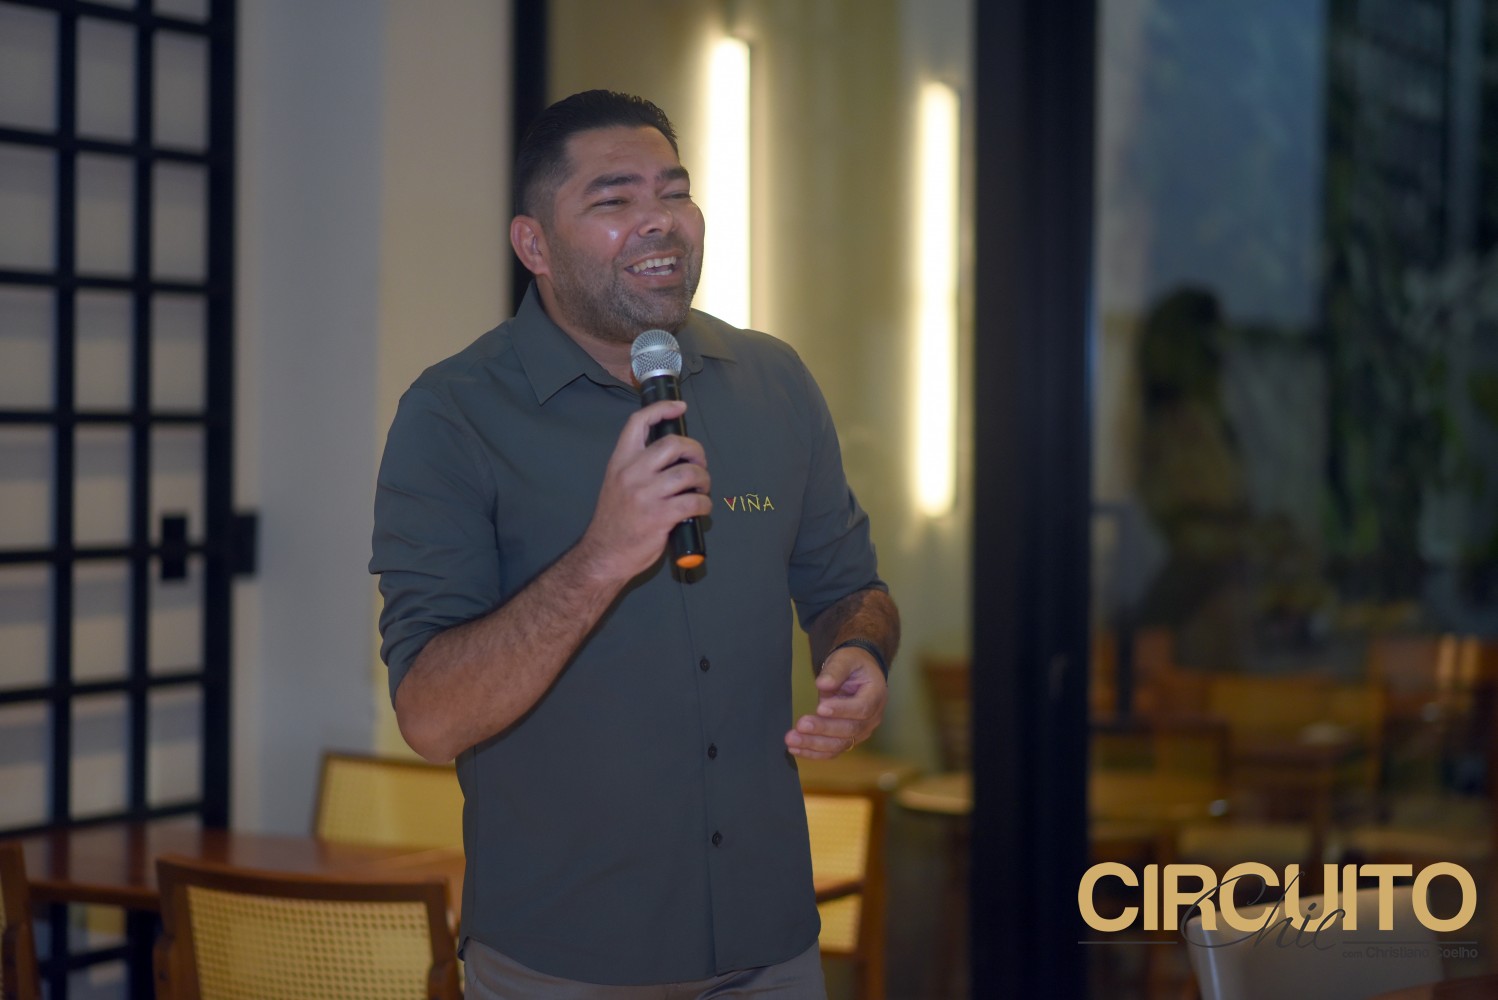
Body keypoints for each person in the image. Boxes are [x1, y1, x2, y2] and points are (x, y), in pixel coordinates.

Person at [370, 89, 900, 998]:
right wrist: (602, 557)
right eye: (615, 199)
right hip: (567, 961)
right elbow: (430, 715)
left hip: (771, 944)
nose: (660, 221)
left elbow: (849, 585)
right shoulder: (454, 414)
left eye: (674, 192)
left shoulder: (771, 381)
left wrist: (859, 654)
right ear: (534, 245)